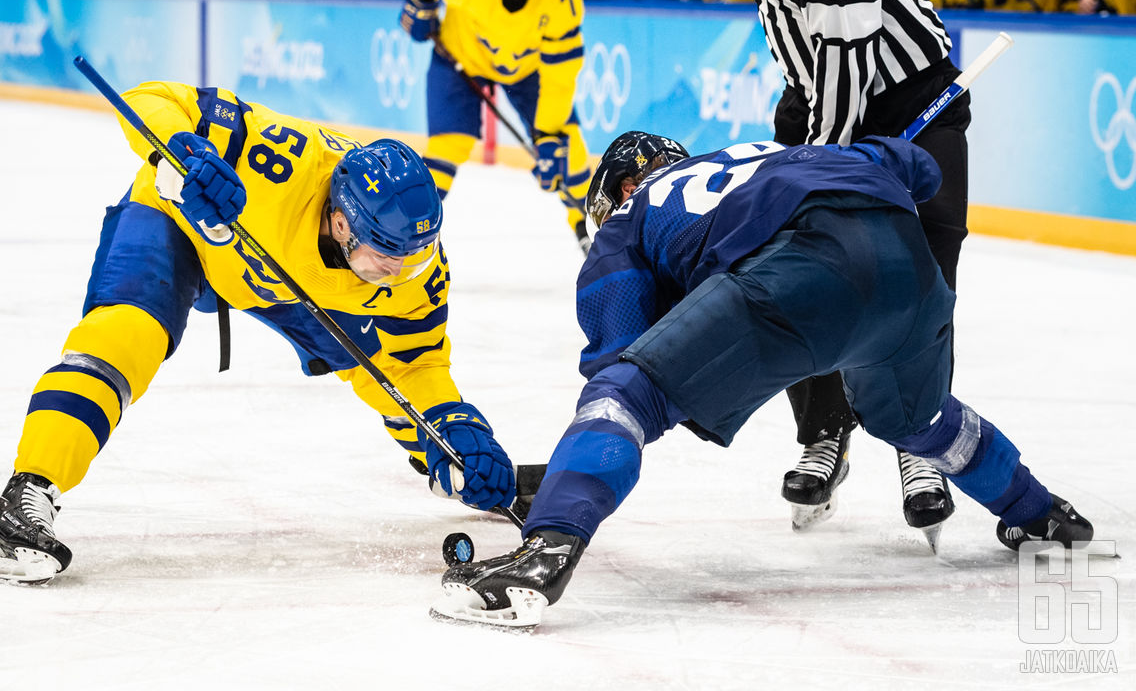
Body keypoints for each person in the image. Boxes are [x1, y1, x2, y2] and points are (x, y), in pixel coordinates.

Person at [431, 130, 1096, 629]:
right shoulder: (773, 151)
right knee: (914, 420)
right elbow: (916, 166)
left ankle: (546, 554)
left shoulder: (630, 220)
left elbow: (620, 372)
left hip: (795, 272)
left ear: (622, 190)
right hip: (911, 271)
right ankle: (1040, 515)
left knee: (624, 398)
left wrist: (568, 480)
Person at [0, 82, 516, 585]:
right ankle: (25, 496)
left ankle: (446, 463)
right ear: (340, 219)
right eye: (388, 253)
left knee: (383, 367)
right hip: (186, 222)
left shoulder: (413, 265)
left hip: (274, 276)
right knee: (127, 332)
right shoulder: (280, 159)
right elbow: (152, 97)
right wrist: (184, 154)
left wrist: (455, 428)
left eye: (414, 253)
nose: (402, 270)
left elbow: (415, 364)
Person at [689, 0, 968, 543]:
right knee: (801, 272)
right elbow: (806, 48)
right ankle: (824, 429)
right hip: (820, 108)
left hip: (907, 104)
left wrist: (825, 159)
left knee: (924, 276)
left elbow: (850, 47)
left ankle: (917, 435)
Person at [398, 0, 593, 254]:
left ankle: (592, 229)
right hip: (461, 57)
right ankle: (405, 236)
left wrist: (546, 134)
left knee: (569, 148)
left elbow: (560, 79)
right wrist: (421, 2)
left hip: (526, 71)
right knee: (449, 145)